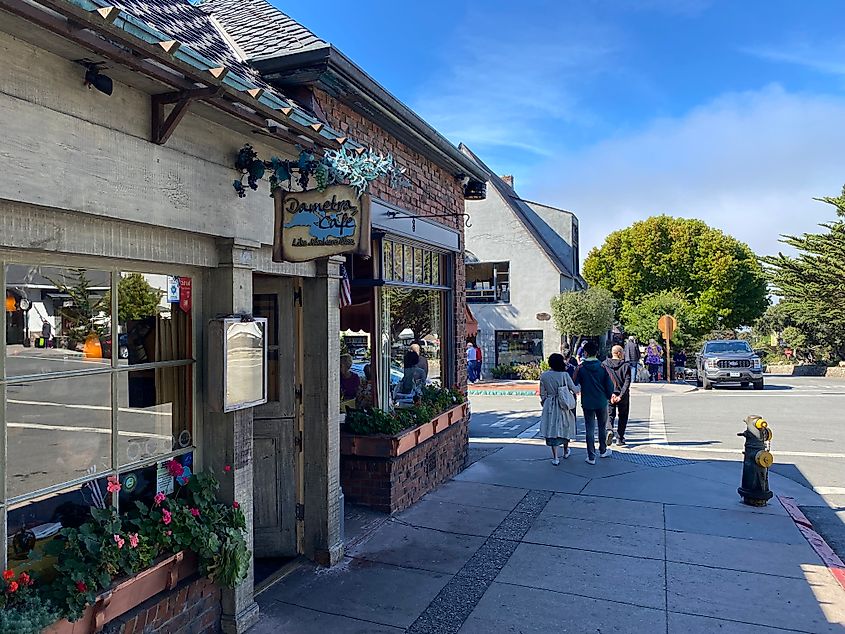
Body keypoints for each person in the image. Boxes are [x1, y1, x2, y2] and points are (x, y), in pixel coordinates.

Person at [574, 340, 615, 464]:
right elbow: (610, 384)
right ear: (596, 352)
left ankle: (591, 456)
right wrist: (608, 396)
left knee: (589, 429)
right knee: (602, 427)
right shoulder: (603, 367)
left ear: (585, 353)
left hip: (587, 402)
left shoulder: (580, 367)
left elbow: (574, 382)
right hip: (601, 401)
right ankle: (603, 450)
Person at [539, 354, 579, 465]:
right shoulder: (564, 375)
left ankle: (555, 457)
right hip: (563, 404)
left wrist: (544, 402)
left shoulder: (544, 375)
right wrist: (581, 385)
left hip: (550, 404)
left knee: (552, 428)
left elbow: (542, 393)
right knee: (565, 426)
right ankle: (566, 450)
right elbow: (574, 389)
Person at [603, 345, 632, 446]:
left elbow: (603, 381)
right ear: (619, 353)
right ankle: (620, 438)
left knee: (609, 414)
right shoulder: (626, 366)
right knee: (623, 416)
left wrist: (610, 394)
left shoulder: (605, 364)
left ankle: (609, 429)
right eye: (623, 352)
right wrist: (620, 395)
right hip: (622, 395)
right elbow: (627, 382)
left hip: (609, 394)